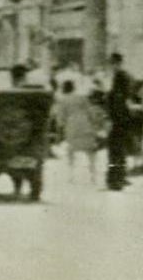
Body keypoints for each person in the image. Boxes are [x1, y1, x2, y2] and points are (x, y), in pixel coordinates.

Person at [54, 79, 99, 185]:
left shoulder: (63, 100)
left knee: (71, 151)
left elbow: (60, 118)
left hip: (72, 126)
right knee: (90, 150)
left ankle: (71, 175)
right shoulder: (82, 97)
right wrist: (94, 124)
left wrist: (59, 129)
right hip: (85, 123)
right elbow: (91, 112)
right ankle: (93, 174)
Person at [103, 53, 133, 191]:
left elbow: (117, 99)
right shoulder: (122, 76)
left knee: (115, 150)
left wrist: (110, 117)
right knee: (117, 150)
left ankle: (116, 179)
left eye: (113, 63)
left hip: (117, 119)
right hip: (121, 118)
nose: (112, 66)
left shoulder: (120, 77)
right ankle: (118, 177)